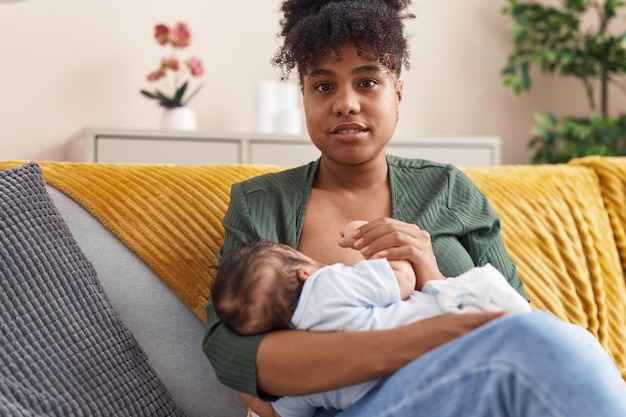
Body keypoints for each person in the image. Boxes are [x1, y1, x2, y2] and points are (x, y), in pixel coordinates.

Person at [202, 0, 626, 416]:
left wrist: (432, 273)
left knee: (552, 344)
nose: (345, 103)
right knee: (547, 345)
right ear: (304, 98)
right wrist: (439, 333)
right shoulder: (259, 203)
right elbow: (233, 353)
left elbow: (515, 312)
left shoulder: (449, 188)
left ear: (398, 95)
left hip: (474, 390)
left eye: (367, 82)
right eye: (323, 85)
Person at [212, 238, 531, 417]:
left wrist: (245, 389)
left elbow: (273, 413)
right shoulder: (327, 284)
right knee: (482, 287)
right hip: (454, 329)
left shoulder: (298, 371)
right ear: (303, 273)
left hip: (409, 397)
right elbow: (403, 280)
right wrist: (382, 255)